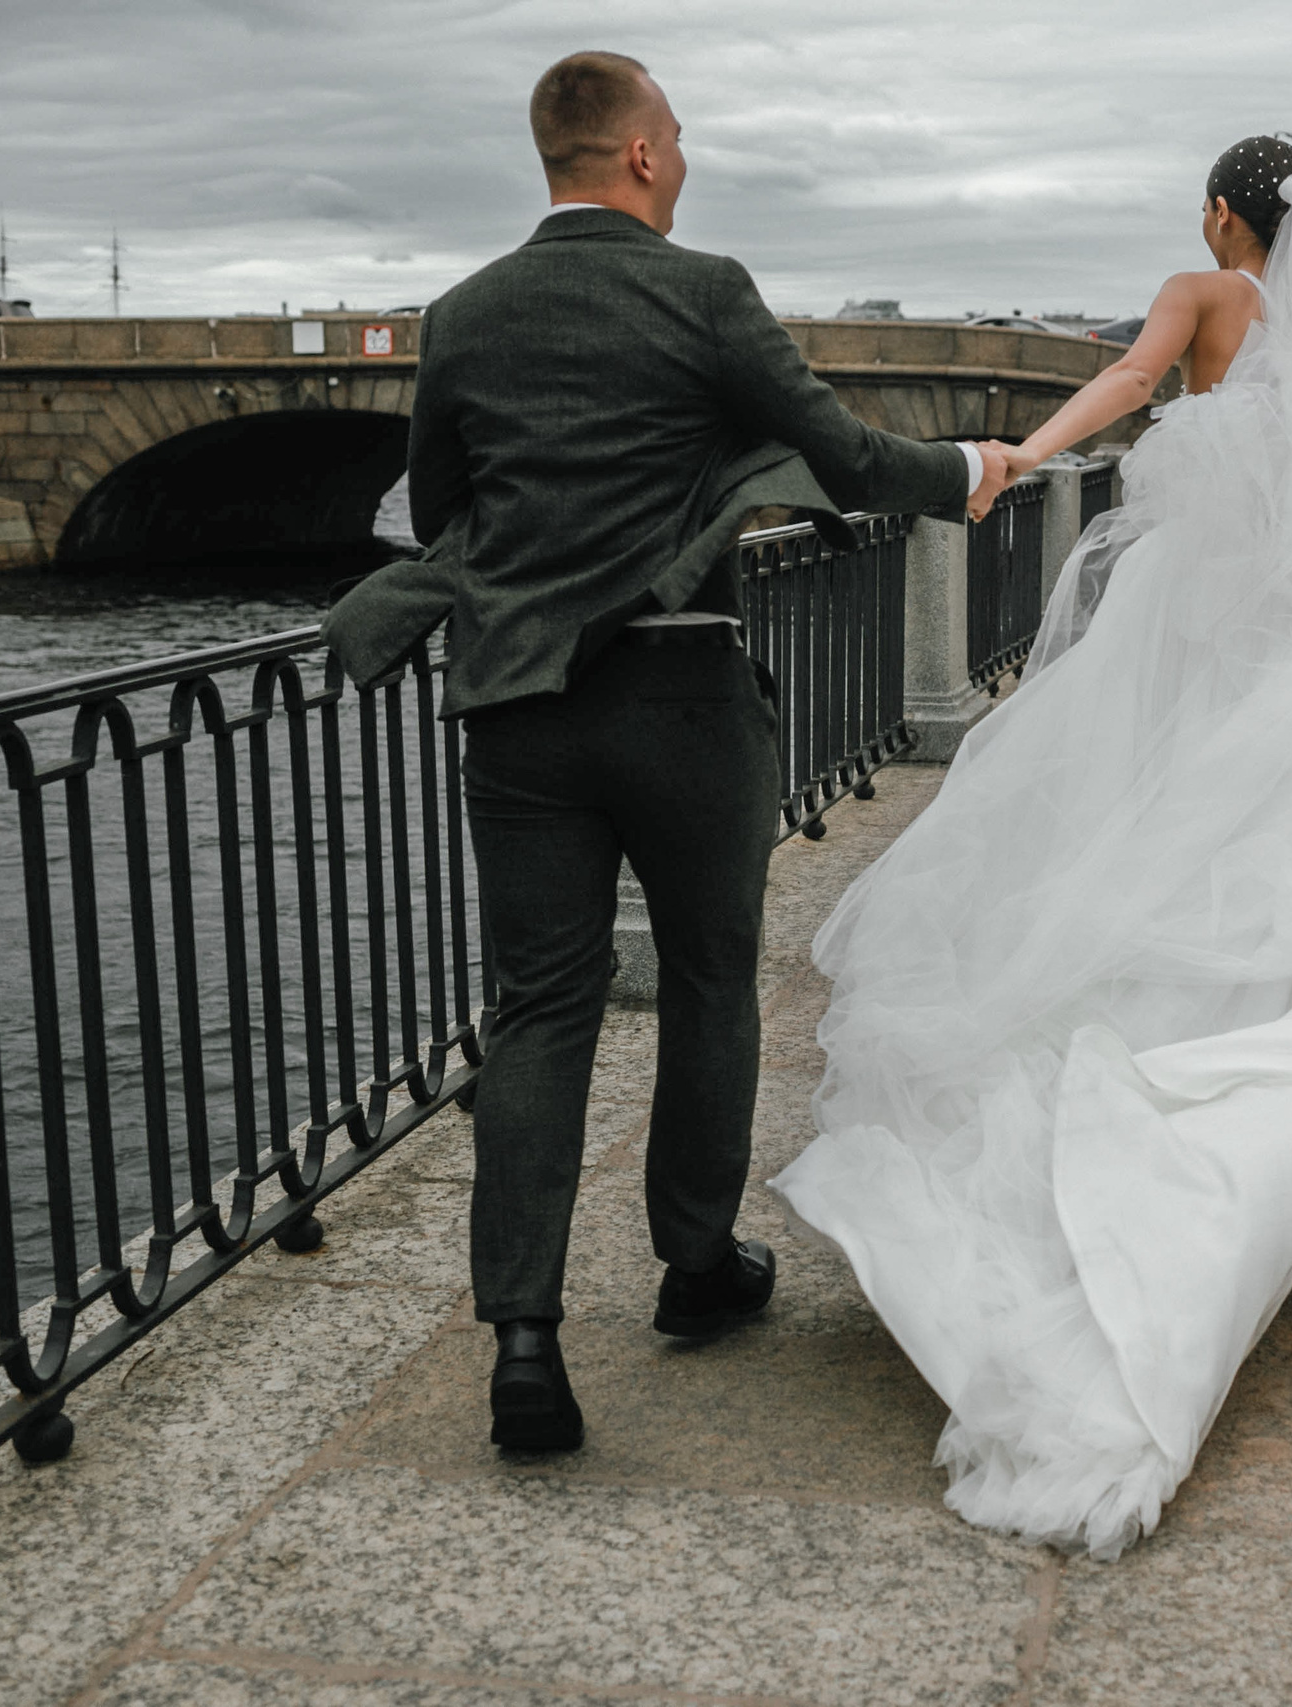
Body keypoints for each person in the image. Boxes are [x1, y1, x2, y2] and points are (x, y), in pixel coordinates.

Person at [772, 138, 1292, 1558]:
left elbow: (1131, 385)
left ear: (1224, 215)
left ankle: (1157, 1057)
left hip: (1207, 618)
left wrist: (1024, 449)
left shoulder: (1202, 295)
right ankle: (1280, 1034)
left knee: (1145, 825)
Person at [324, 51, 1010, 1454]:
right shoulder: (704, 292)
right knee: (706, 980)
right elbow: (841, 450)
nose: (683, 158)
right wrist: (967, 474)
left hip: (518, 710)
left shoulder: (461, 314)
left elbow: (448, 509)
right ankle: (696, 1269)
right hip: (686, 698)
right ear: (637, 155)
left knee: (543, 1005)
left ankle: (523, 1333)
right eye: (677, 138)